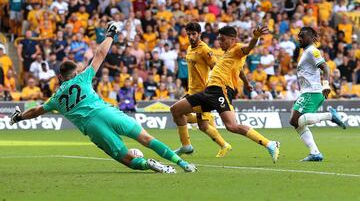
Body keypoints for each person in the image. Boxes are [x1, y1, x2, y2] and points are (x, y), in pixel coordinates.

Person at [10, 22, 196, 174]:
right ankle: (183, 164)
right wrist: (110, 34)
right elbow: (99, 54)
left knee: (127, 159)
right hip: (107, 112)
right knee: (146, 138)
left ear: (60, 77)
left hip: (93, 126)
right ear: (75, 73)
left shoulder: (56, 98)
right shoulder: (83, 78)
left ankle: (149, 165)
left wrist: (19, 117)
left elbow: (35, 111)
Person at [171, 25, 280, 163]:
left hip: (220, 91)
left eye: (222, 39)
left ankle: (270, 144)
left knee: (231, 126)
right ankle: (186, 146)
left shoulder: (237, 48)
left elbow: (248, 48)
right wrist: (246, 83)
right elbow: (239, 69)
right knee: (176, 110)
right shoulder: (229, 54)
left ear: (232, 39)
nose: (219, 42)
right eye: (218, 39)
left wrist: (255, 37)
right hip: (209, 91)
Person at [174, 22, 231, 158]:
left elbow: (216, 68)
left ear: (199, 34)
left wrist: (215, 87)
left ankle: (186, 146)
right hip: (192, 91)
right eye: (189, 34)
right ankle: (224, 145)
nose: (191, 37)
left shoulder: (205, 50)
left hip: (202, 93)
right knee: (203, 126)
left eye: (194, 34)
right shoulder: (189, 48)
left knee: (178, 112)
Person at [289, 27, 346, 162]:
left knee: (296, 121)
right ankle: (315, 153)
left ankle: (330, 115)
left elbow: (325, 67)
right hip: (308, 92)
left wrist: (326, 84)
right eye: (299, 36)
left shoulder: (312, 51)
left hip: (312, 92)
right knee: (295, 123)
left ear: (311, 37)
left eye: (302, 35)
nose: (299, 38)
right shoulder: (305, 53)